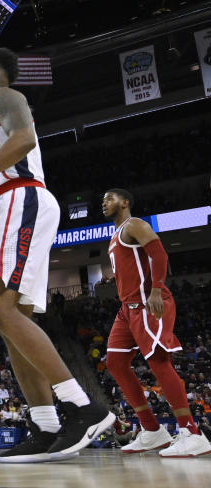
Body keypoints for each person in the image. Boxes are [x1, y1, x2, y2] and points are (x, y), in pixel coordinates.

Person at [0, 48, 114, 462]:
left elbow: (25, 141)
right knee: (13, 320)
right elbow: (7, 178)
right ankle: (47, 425)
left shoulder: (3, 97)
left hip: (22, 202)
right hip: (9, 203)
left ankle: (85, 408)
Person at [101, 188, 211, 457]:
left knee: (158, 361)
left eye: (110, 198)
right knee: (115, 363)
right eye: (103, 200)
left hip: (148, 303)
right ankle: (152, 430)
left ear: (125, 203)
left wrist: (157, 289)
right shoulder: (114, 237)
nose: (104, 203)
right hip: (126, 309)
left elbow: (159, 254)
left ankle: (191, 433)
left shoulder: (134, 224)